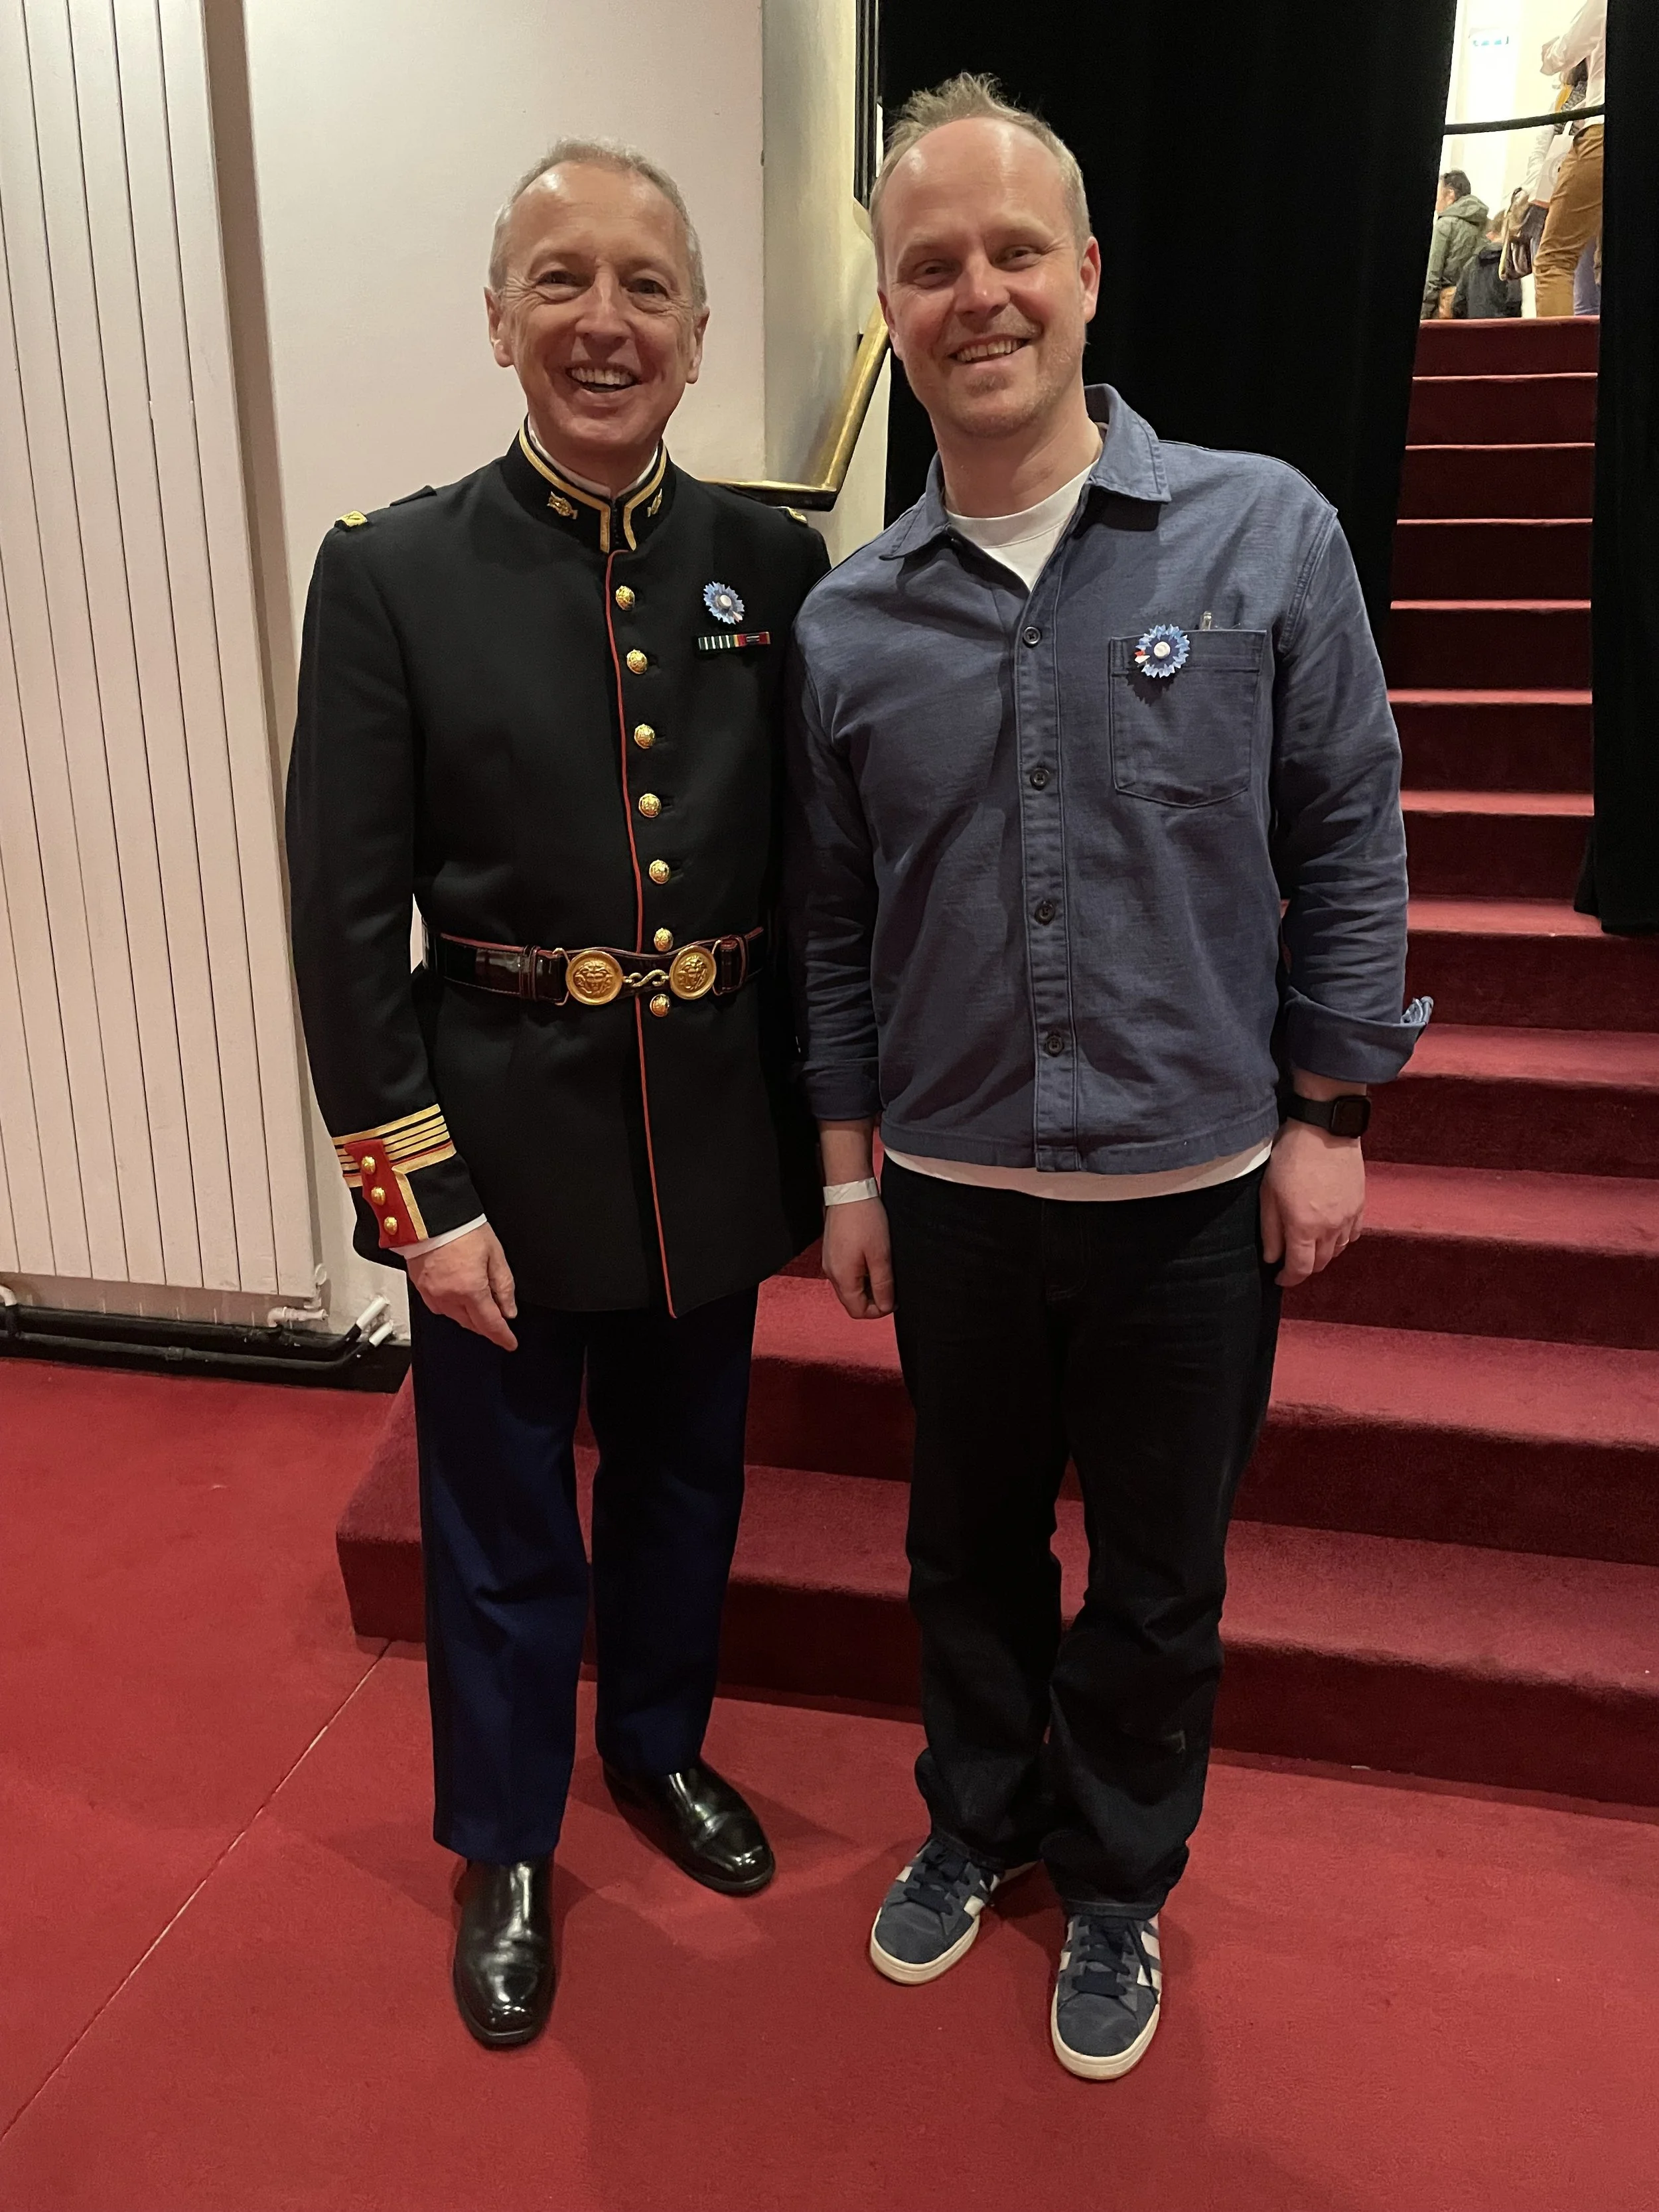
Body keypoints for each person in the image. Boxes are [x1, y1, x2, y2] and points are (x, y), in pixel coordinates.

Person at [786, 74, 1427, 2083]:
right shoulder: (842, 619)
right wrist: (843, 1173)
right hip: (960, 1192)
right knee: (959, 1546)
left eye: (1006, 252)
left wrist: (1325, 1117)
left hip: (1188, 1195)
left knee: (1156, 1573)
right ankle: (976, 1820)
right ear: (887, 308)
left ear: (1082, 272)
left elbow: (1346, 836)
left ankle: (1119, 1875)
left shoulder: (1261, 531)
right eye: (925, 263)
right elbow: (823, 922)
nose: (971, 292)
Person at [286, 141, 828, 2049]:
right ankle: (506, 1837)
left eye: (645, 286)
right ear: (499, 316)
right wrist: (414, 1197)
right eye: (561, 281)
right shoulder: (390, 573)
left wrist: (825, 1144)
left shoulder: (773, 564)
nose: (605, 322)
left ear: (695, 327)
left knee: (688, 1487)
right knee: (502, 1521)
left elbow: (809, 880)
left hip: (714, 1134)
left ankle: (661, 1748)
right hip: (498, 1141)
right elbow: (346, 928)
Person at [1534, 1, 1605, 319]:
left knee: (1554, 260)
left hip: (1602, 129)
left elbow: (1563, 53)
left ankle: (1559, 365)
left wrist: (1550, 51)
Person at [1423, 170, 1488, 319]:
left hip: (1444, 310)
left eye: (1438, 194)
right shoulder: (1486, 225)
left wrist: (1424, 317)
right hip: (1474, 311)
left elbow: (1432, 278)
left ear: (1450, 195)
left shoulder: (1445, 225)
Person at [1453, 209, 1523, 319]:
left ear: (1492, 234)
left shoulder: (1471, 264)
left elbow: (1458, 305)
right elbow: (1515, 301)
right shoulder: (1512, 263)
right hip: (1504, 330)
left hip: (1474, 330)